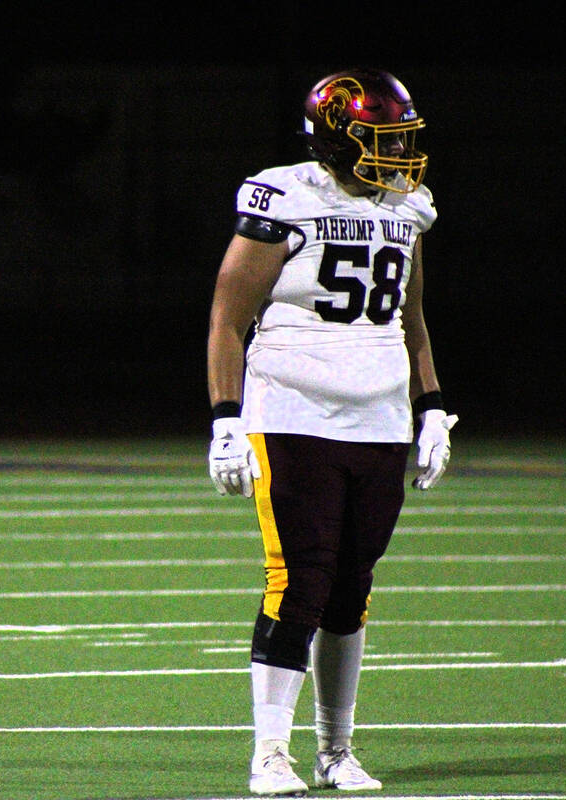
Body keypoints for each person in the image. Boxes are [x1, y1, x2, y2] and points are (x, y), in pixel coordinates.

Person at [205, 67, 458, 796]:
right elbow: (228, 317)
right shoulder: (286, 195)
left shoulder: (407, 207)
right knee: (299, 580)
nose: (400, 152)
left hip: (379, 414)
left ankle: (335, 750)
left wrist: (433, 404)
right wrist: (226, 420)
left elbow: (410, 320)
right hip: (293, 409)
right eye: (383, 137)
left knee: (351, 587)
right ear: (339, 137)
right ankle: (270, 753)